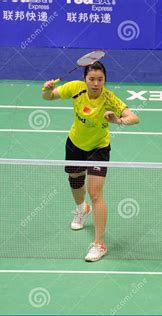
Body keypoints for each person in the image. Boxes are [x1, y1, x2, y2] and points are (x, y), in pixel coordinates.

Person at [42, 61, 140, 262]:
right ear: (85, 79)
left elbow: (134, 117)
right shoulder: (75, 89)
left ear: (105, 80)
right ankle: (81, 209)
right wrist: (47, 90)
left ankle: (99, 244)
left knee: (96, 194)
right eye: (92, 79)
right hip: (75, 144)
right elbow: (49, 97)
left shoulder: (109, 98)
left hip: (98, 149)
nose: (96, 83)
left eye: (100, 79)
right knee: (75, 180)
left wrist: (118, 121)